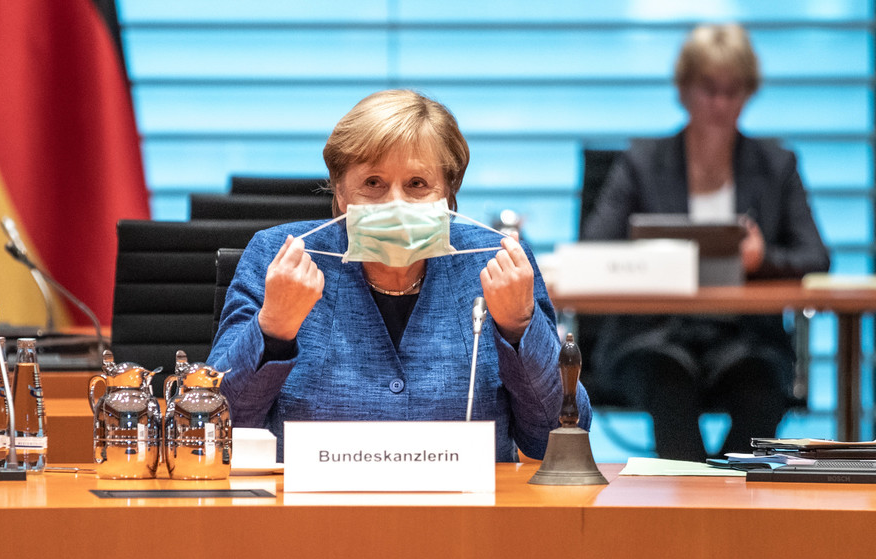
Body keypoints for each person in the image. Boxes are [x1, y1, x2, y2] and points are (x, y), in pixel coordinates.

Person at [209, 89, 591, 461]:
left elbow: (559, 437)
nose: (395, 203)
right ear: (340, 189)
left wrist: (520, 327)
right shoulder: (277, 257)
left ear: (448, 192)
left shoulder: (496, 261)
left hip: (465, 519)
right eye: (373, 183)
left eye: (417, 184)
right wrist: (273, 327)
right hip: (310, 517)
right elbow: (215, 429)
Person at [582, 24, 830, 461]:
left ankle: (726, 504)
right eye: (708, 89)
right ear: (683, 90)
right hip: (654, 335)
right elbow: (594, 248)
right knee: (669, 384)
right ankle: (693, 509)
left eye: (732, 91)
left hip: (745, 337)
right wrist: (653, 258)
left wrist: (762, 259)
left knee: (762, 389)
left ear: (749, 94)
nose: (719, 103)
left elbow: (816, 255)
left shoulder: (777, 164)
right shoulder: (641, 162)